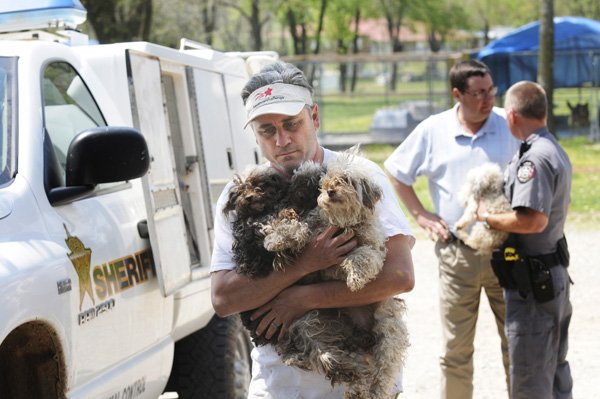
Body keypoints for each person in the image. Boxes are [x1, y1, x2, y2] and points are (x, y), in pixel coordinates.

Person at [210, 61, 415, 398]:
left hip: (360, 385)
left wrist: (301, 299)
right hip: (280, 386)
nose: (282, 140)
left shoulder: (359, 176)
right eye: (267, 130)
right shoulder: (242, 195)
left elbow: (399, 276)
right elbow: (223, 298)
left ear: (314, 118)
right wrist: (304, 263)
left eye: (292, 124)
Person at [383, 59, 519, 399]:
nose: (488, 99)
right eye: (478, 93)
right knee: (455, 351)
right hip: (458, 254)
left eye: (491, 91)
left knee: (517, 343)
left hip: (510, 252)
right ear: (457, 94)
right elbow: (396, 171)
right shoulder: (433, 129)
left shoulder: (510, 124)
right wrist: (421, 215)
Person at [476, 81, 573, 398]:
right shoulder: (550, 148)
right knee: (553, 373)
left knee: (531, 379)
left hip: (534, 285)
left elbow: (532, 220)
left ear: (513, 116)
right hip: (548, 275)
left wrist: (486, 217)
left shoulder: (534, 160)